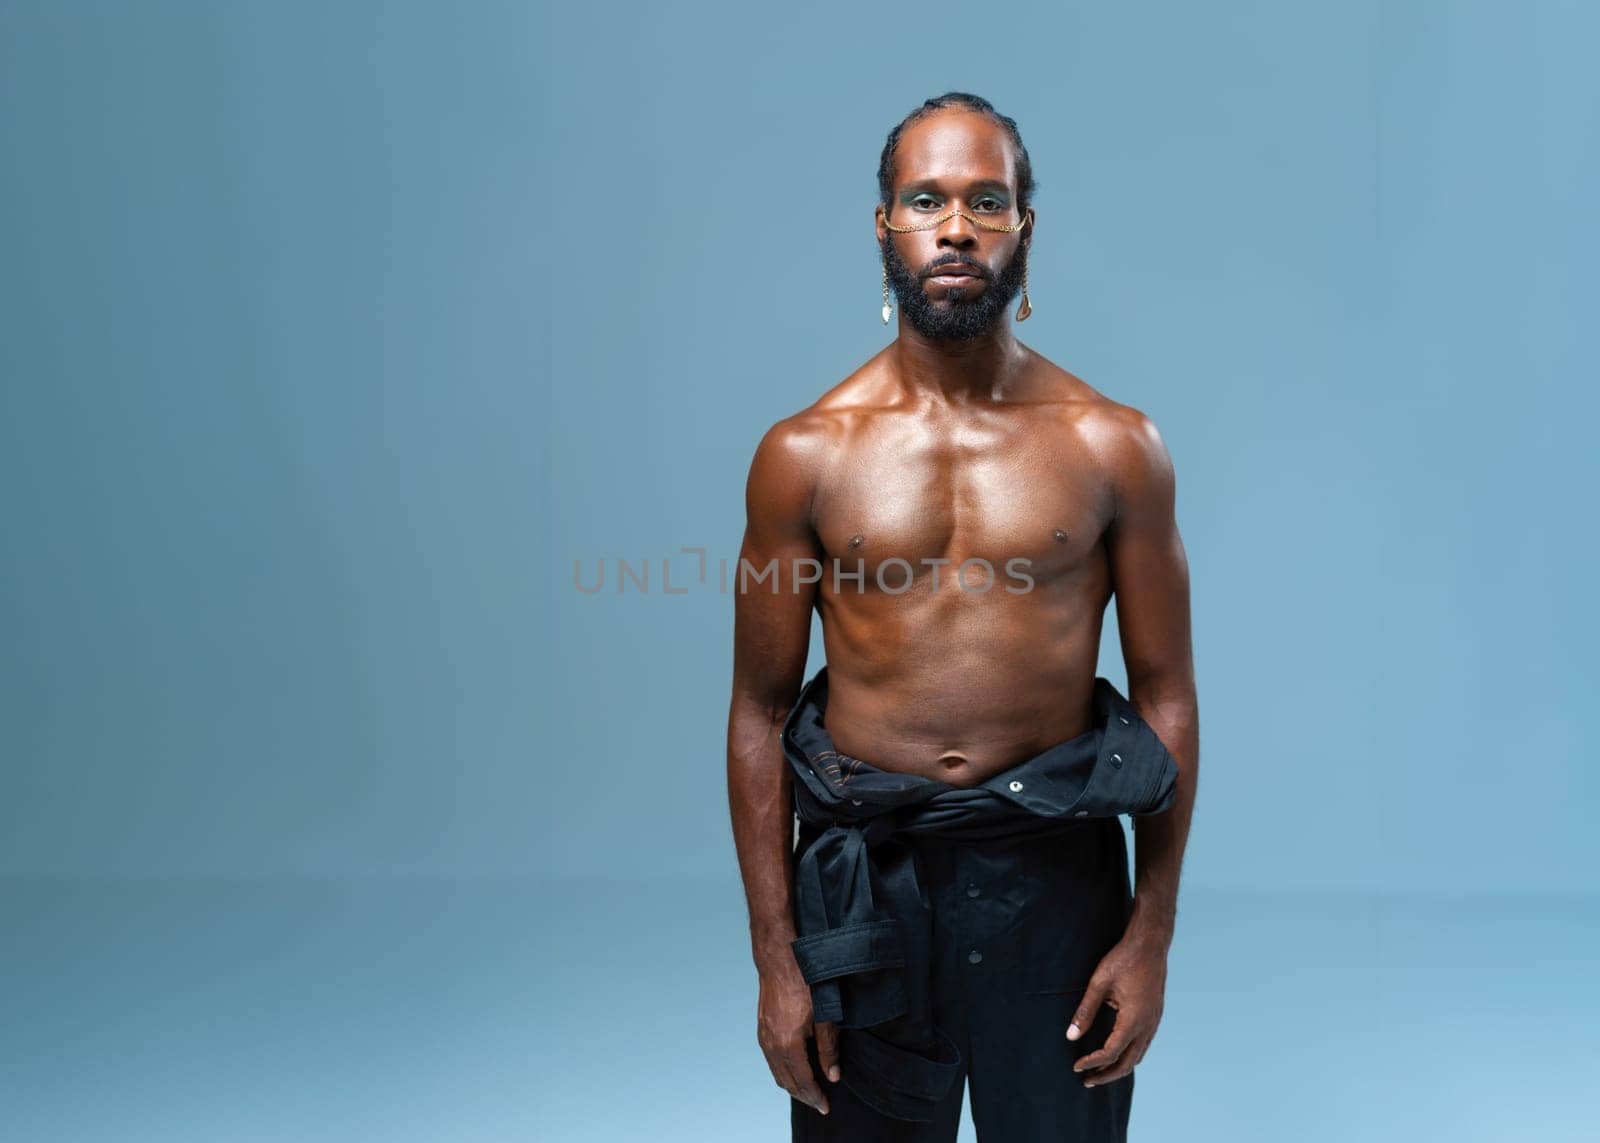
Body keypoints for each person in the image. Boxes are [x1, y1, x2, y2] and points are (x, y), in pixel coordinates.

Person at [726, 91, 1199, 1142]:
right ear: (885, 224)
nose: (955, 226)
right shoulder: (802, 455)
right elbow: (757, 715)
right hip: (866, 894)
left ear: (1024, 225)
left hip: (1059, 892)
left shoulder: (1114, 447)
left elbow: (1166, 693)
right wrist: (776, 959)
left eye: (988, 200)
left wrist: (1151, 934)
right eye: (925, 199)